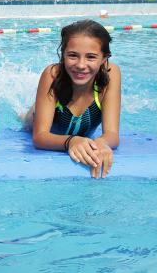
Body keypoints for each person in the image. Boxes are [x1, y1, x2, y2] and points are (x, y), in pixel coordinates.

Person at [26, 20, 121, 179]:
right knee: (28, 119)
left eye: (91, 57)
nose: (81, 65)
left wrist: (100, 143)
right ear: (63, 54)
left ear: (104, 59)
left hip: (74, 130)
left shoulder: (112, 74)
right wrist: (71, 141)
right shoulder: (52, 74)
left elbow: (112, 134)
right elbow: (39, 137)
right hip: (34, 123)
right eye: (72, 55)